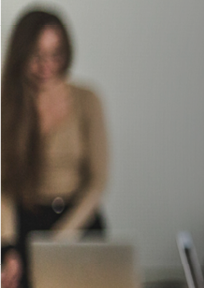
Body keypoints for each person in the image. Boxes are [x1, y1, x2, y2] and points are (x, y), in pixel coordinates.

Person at [1, 8, 109, 288]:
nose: (46, 65)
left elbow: (97, 183)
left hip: (77, 222)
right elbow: (6, 188)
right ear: (21, 55)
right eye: (37, 55)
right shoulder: (9, 106)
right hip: (25, 223)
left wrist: (58, 241)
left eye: (55, 54)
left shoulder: (87, 101)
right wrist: (9, 248)